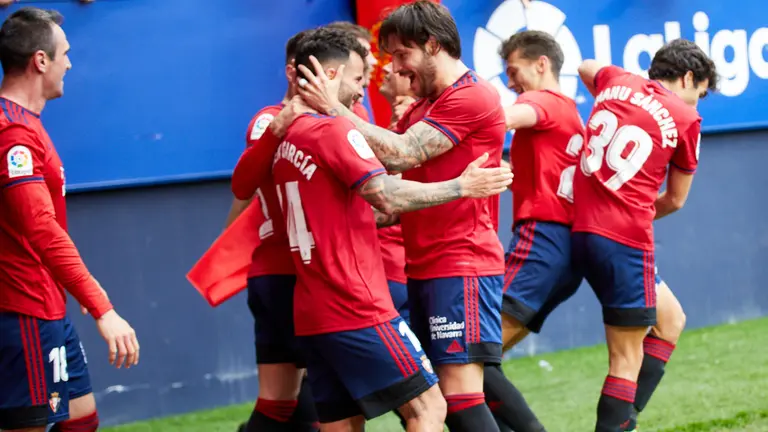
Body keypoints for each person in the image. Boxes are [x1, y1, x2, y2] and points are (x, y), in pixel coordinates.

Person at [274, 27, 512, 431]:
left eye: (400, 56)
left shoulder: (288, 138)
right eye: (358, 77)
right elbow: (388, 191)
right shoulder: (333, 129)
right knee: (433, 407)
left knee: (355, 421)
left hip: (322, 308)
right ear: (329, 79)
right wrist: (462, 187)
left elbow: (369, 202)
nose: (368, 84)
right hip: (360, 302)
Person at [0, 7, 139, 432]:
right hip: (22, 307)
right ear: (40, 60)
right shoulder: (12, 135)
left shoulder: (27, 125)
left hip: (48, 302)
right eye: (65, 53)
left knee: (81, 418)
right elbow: (40, 227)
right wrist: (102, 306)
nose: (70, 63)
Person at [573, 39, 717, 431]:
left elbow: (586, 64)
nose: (697, 105)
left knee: (670, 320)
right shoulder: (687, 119)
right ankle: (619, 424)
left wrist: (624, 98)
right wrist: (627, 208)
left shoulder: (618, 80)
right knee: (625, 360)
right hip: (624, 240)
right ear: (688, 77)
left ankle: (624, 419)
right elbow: (676, 199)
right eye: (699, 94)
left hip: (580, 229)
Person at [483, 29, 587, 432]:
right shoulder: (570, 111)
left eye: (513, 70)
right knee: (480, 363)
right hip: (564, 250)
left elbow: (500, 118)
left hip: (543, 241)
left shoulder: (539, 101)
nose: (510, 82)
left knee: (469, 357)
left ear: (541, 64)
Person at [228, 30, 319, 432]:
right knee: (326, 390)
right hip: (286, 275)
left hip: (289, 274)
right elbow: (243, 187)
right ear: (292, 71)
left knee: (281, 403)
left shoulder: (326, 121)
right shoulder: (271, 120)